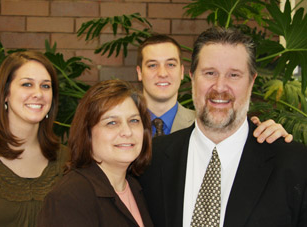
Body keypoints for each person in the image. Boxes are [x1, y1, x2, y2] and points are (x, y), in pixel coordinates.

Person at [138, 27, 307, 227]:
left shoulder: (294, 164)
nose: (219, 87)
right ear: (192, 78)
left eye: (233, 75)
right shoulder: (150, 160)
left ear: (251, 82)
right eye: (210, 73)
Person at [0, 51, 68, 227]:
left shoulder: (67, 160)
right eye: (27, 84)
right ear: (5, 93)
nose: (38, 93)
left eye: (46, 86)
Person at [37, 79, 154, 227]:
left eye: (134, 121)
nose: (127, 131)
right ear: (87, 134)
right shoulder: (68, 198)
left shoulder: (135, 187)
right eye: (112, 123)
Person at [136, 34, 293, 142]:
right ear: (139, 72)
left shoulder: (212, 124)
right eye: (152, 65)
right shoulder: (121, 127)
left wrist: (269, 137)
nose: (162, 73)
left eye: (170, 64)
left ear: (183, 72)